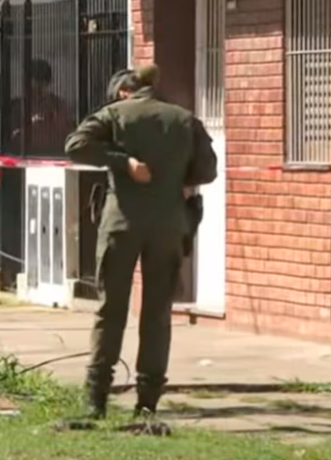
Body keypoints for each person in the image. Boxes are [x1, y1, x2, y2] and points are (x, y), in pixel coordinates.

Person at [65, 64, 218, 419]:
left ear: (123, 92)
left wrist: (123, 162)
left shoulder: (114, 115)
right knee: (157, 313)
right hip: (168, 223)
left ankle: (96, 399)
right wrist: (173, 175)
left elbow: (76, 145)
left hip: (122, 223)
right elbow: (207, 171)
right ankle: (148, 401)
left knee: (110, 310)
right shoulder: (184, 119)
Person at [10, 58, 74, 155]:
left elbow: (70, 133)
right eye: (34, 88)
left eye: (42, 86)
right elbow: (11, 139)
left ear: (49, 83)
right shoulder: (19, 107)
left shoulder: (59, 106)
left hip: (57, 157)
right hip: (28, 157)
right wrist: (30, 126)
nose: (38, 93)